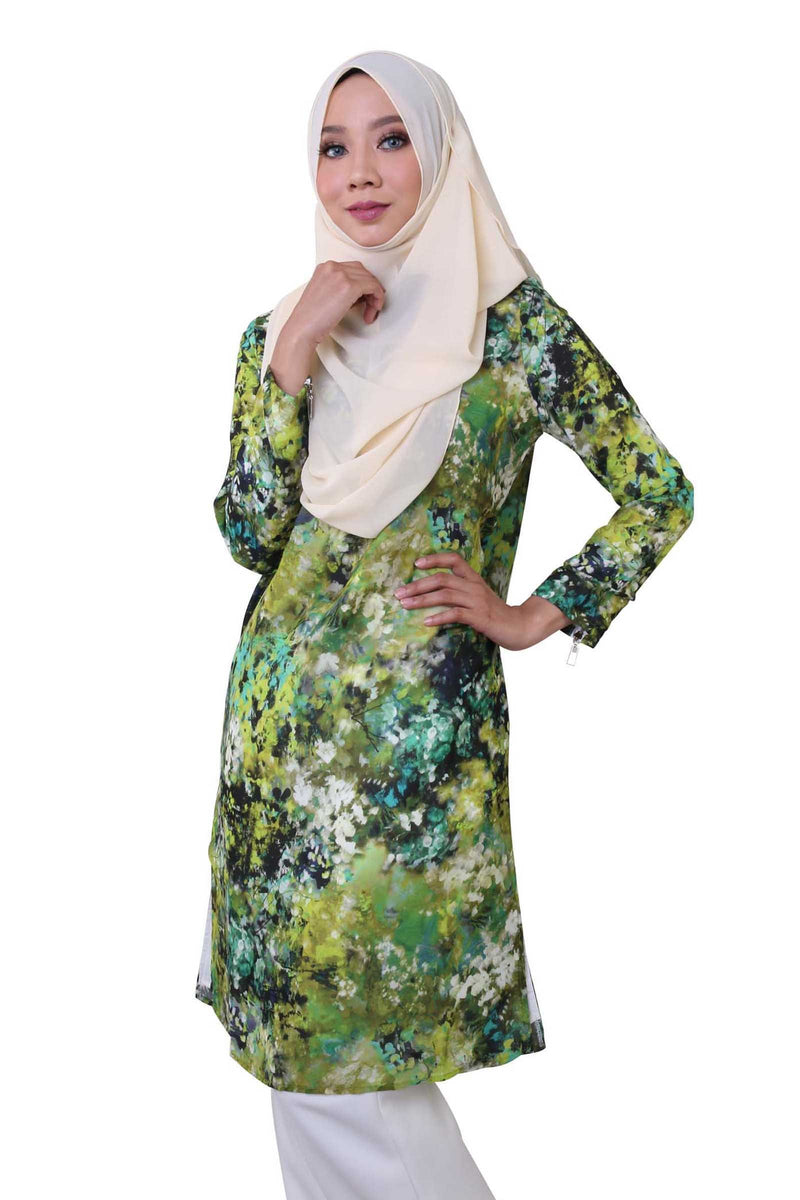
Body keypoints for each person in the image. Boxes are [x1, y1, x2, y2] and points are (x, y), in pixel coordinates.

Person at [195, 49, 694, 1200]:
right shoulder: (279, 334)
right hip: (273, 753)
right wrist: (290, 358)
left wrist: (532, 615)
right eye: (333, 147)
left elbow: (658, 491)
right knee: (300, 1060)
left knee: (357, 1069)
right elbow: (249, 535)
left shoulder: (510, 331)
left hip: (409, 758)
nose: (359, 173)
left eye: (391, 139)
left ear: (441, 148)